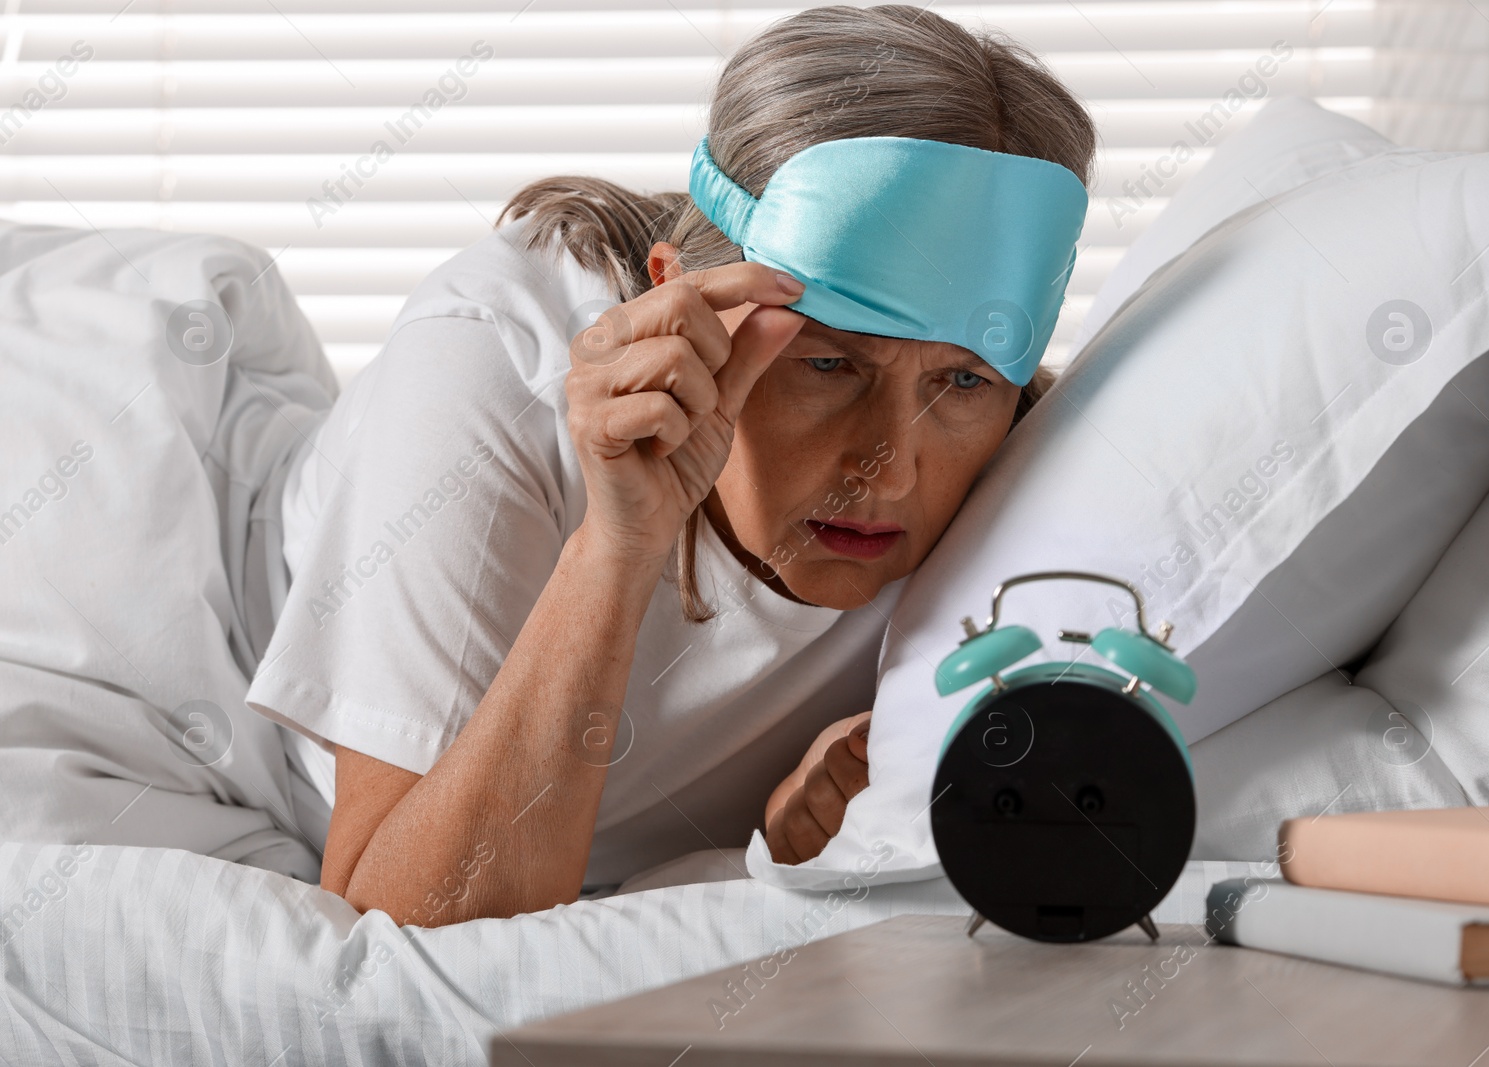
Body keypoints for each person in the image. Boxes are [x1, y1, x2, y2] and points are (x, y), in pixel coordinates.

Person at [243, 3, 1096, 927]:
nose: (888, 476)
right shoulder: (491, 368)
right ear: (682, 298)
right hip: (193, 644)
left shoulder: (1027, 463)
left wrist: (778, 839)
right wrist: (617, 543)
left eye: (962, 380)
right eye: (827, 363)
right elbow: (403, 937)